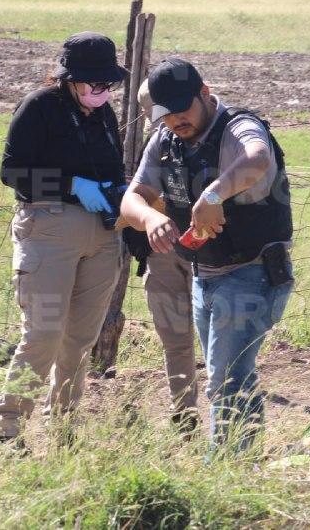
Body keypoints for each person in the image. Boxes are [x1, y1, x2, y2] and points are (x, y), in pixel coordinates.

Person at [120, 58, 294, 452]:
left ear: (205, 93)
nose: (176, 120)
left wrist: (213, 194)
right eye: (165, 114)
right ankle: (242, 464)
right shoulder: (165, 140)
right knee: (232, 375)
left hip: (251, 273)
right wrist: (148, 218)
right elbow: (132, 198)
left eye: (183, 108)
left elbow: (257, 159)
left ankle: (229, 467)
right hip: (206, 274)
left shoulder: (238, 127)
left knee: (226, 377)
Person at [0, 32, 128, 453]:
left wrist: (115, 195)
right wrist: (72, 186)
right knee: (44, 334)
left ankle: (63, 428)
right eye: (93, 82)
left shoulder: (104, 114)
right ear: (69, 78)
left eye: (107, 83)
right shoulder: (39, 107)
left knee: (80, 338)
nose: (101, 90)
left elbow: (114, 168)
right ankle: (8, 430)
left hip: (102, 237)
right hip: (48, 231)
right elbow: (12, 173)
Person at [123, 79, 199, 437]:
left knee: (219, 338)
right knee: (174, 337)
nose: (164, 121)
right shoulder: (159, 143)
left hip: (212, 254)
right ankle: (184, 412)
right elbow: (136, 199)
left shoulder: (222, 137)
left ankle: (227, 416)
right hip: (165, 253)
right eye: (155, 115)